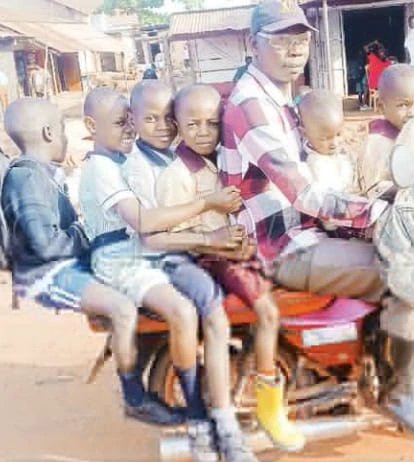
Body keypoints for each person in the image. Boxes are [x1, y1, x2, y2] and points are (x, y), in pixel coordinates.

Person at [219, 0, 414, 443]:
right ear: (253, 44)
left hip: (302, 231)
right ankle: (399, 393)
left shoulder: (278, 96)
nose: (293, 51)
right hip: (285, 247)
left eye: (300, 40)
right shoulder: (251, 106)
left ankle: (375, 360)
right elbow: (304, 193)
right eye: (280, 41)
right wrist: (375, 212)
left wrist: (375, 203)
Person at [80, 86, 257, 462]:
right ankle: (203, 419)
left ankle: (220, 416)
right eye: (148, 119)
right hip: (143, 258)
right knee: (194, 309)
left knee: (214, 308)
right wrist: (210, 238)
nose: (162, 127)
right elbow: (151, 233)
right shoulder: (130, 167)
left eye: (167, 119)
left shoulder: (174, 157)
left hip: (171, 254)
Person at [0, 98, 181, 427]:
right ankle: (134, 399)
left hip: (63, 262)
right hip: (47, 273)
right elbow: (45, 245)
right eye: (62, 132)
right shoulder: (25, 179)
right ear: (48, 132)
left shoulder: (42, 173)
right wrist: (89, 233)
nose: (67, 140)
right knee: (123, 306)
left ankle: (143, 363)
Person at [154, 83, 305, 452]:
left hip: (243, 248)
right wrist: (215, 231)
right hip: (214, 257)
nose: (204, 132)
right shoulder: (176, 174)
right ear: (176, 125)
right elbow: (171, 232)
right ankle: (269, 402)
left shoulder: (227, 157)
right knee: (267, 310)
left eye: (212, 123)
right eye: (194, 125)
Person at [358, 64, 414, 198]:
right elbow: (373, 189)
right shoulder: (378, 143)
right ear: (381, 106)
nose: (413, 113)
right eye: (403, 105)